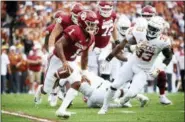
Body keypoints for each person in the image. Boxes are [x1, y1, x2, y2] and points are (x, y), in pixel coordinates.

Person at [98, 16, 173, 114]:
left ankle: (123, 101)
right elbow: (122, 46)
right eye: (150, 27)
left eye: (154, 29)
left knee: (131, 93)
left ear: (160, 30)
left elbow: (168, 57)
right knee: (114, 85)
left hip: (144, 70)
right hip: (131, 63)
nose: (151, 30)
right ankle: (104, 108)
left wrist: (159, 69)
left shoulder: (163, 41)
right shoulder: (139, 31)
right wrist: (132, 48)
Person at [34, 10, 99, 118]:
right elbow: (58, 44)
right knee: (46, 90)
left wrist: (84, 73)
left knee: (77, 84)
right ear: (83, 23)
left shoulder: (91, 37)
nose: (93, 27)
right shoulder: (75, 30)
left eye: (94, 25)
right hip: (57, 58)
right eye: (91, 24)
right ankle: (40, 90)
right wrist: (64, 62)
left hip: (71, 61)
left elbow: (85, 56)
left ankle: (61, 110)